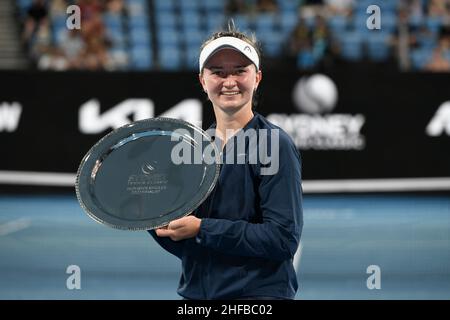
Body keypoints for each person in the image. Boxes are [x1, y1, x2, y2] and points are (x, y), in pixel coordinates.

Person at [149, 22, 303, 300]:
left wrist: (202, 227)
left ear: (257, 78)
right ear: (202, 81)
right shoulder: (194, 148)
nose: (229, 81)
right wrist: (145, 213)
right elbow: (188, 246)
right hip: (197, 297)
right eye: (218, 72)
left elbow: (282, 239)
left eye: (240, 71)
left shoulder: (276, 144)